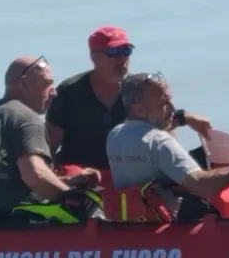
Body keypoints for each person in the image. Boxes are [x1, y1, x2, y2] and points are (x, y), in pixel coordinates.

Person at [105, 73, 229, 220]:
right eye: (164, 104)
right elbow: (202, 185)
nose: (172, 108)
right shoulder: (159, 142)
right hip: (174, 223)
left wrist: (183, 118)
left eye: (170, 100)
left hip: (138, 220)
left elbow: (151, 130)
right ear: (138, 109)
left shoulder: (115, 136)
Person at [45, 27, 214, 182]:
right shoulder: (69, 92)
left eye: (126, 51)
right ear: (93, 56)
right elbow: (49, 146)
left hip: (129, 176)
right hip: (82, 177)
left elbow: (163, 127)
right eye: (114, 52)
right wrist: (53, 181)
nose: (122, 59)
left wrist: (185, 118)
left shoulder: (139, 89)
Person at [0, 56, 103, 225]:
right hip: (18, 233)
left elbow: (5, 183)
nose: (54, 92)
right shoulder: (25, 118)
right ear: (24, 84)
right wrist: (72, 198)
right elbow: (34, 175)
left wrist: (68, 182)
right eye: (46, 84)